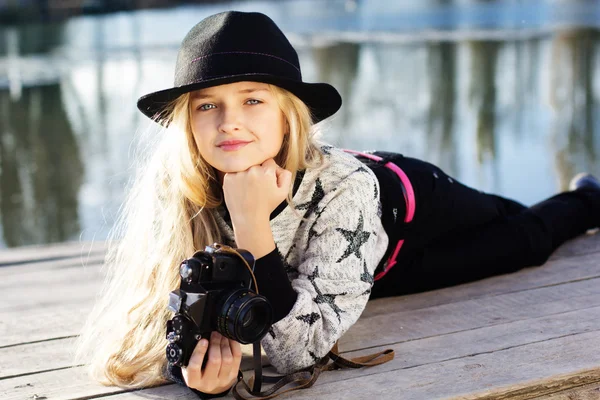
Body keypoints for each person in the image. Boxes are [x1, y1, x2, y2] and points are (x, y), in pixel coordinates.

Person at [73, 10, 600, 399]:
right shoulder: (183, 188)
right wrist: (190, 367)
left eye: (253, 100)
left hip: (409, 212)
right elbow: (172, 319)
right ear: (188, 123)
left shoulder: (345, 187)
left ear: (288, 116)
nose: (228, 121)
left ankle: (586, 197)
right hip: (347, 278)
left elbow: (290, 351)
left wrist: (253, 220)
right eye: (208, 105)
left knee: (522, 238)